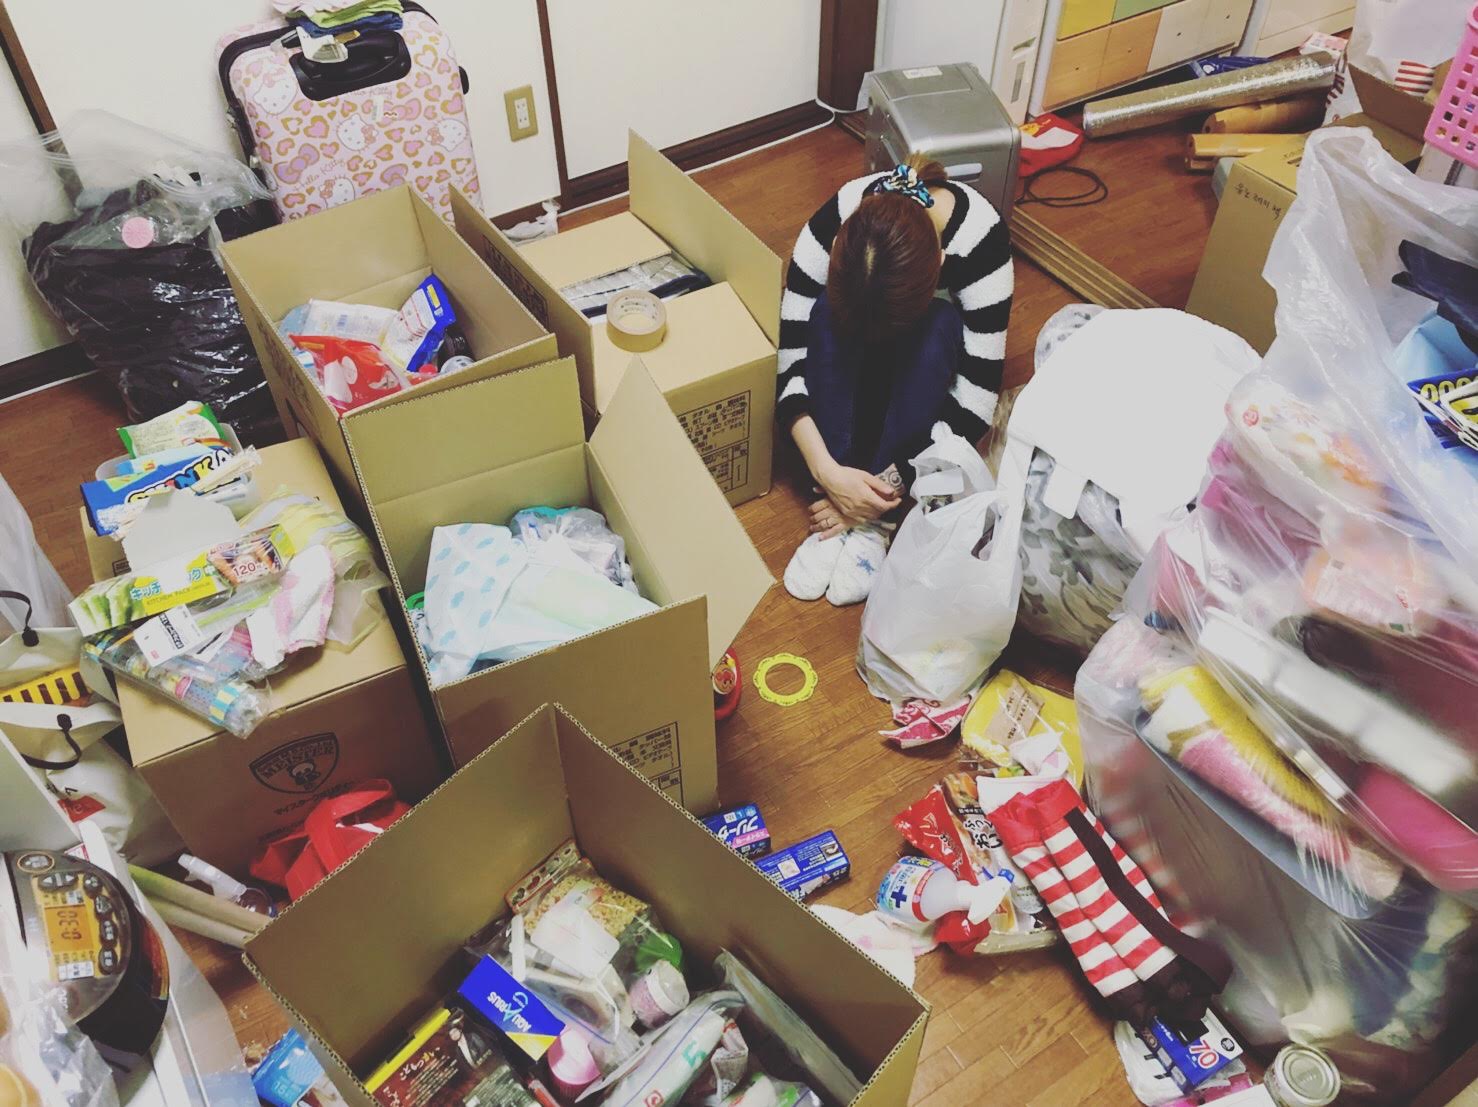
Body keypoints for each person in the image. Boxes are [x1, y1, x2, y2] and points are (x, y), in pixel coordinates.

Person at [776, 157, 1014, 605]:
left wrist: (883, 492)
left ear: (940, 262)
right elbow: (789, 368)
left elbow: (974, 406)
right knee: (820, 315)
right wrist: (829, 473)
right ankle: (850, 479)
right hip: (840, 432)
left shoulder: (980, 244)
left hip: (924, 356)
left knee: (940, 328)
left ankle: (873, 522)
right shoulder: (827, 230)